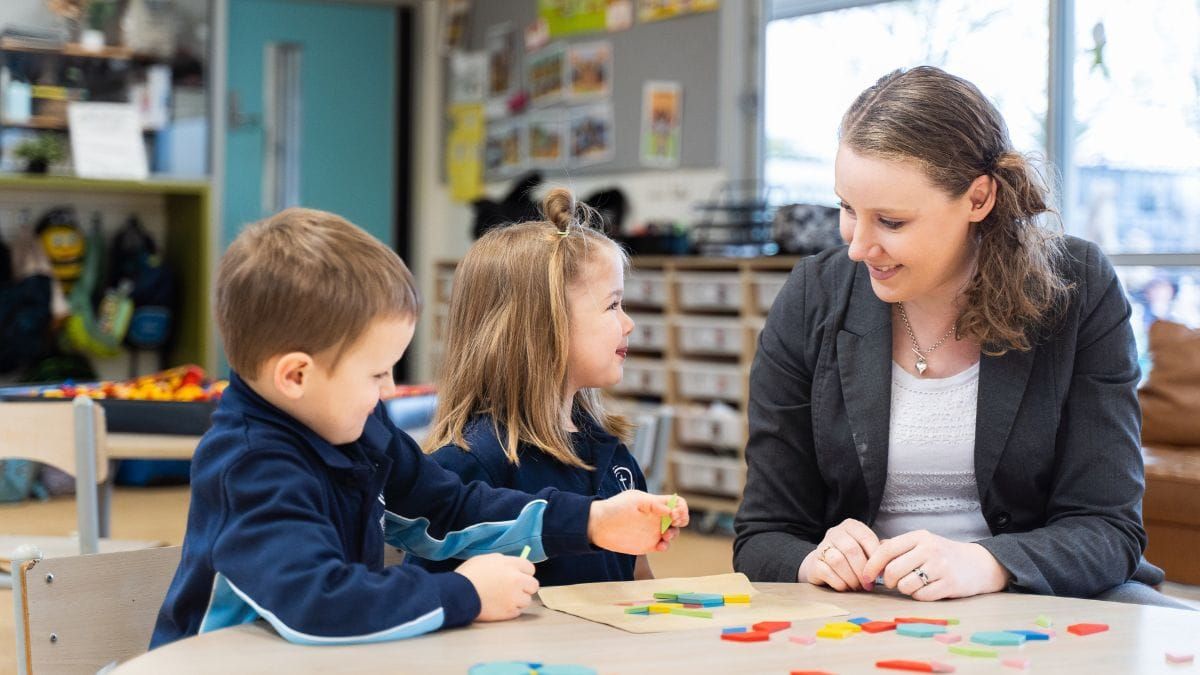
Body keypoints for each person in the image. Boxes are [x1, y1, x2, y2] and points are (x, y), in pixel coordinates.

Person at [734, 66, 1184, 608]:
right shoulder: (814, 295)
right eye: (848, 210)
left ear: (978, 199)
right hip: (863, 605)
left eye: (892, 222)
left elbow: (1108, 529)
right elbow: (763, 535)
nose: (857, 247)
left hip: (1039, 594)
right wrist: (813, 559)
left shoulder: (1077, 285)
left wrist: (988, 562)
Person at [151, 207, 690, 649]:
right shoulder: (251, 467)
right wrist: (465, 593)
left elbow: (449, 508)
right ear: (296, 375)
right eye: (377, 372)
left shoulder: (358, 425)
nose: (389, 391)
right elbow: (320, 603)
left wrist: (589, 522)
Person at [412, 187, 668, 586]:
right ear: (544, 327)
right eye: (612, 305)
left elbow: (638, 575)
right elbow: (431, 593)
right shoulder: (467, 467)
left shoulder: (613, 458)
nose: (628, 323)